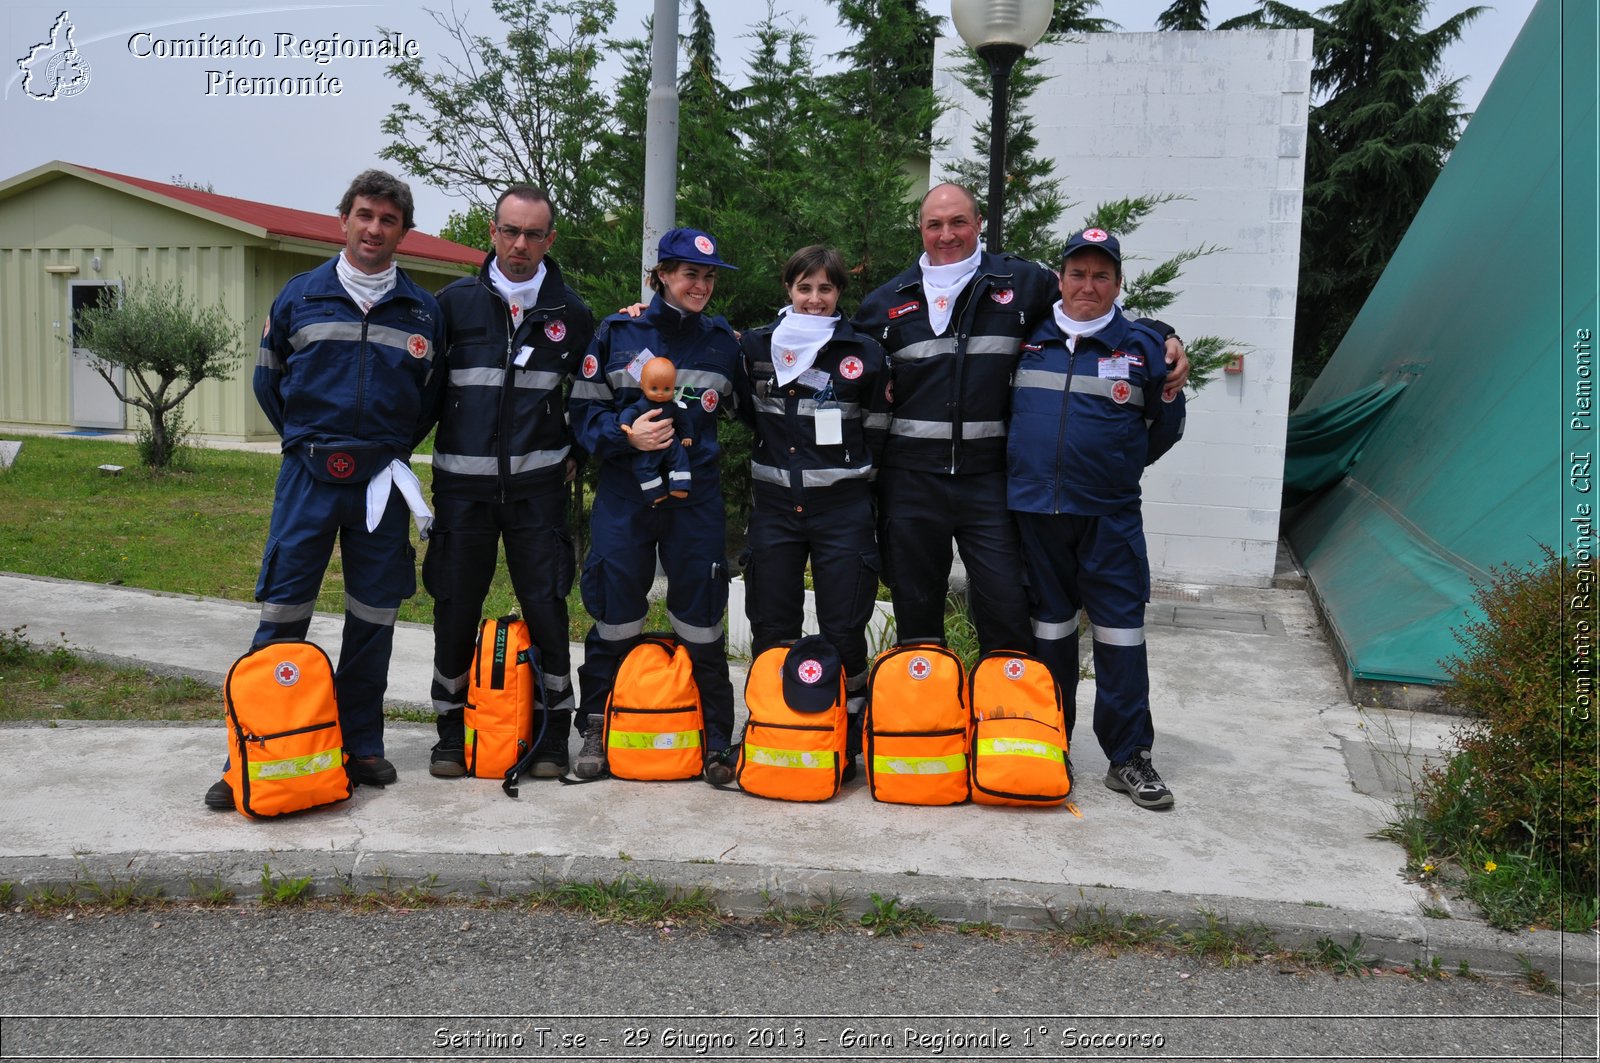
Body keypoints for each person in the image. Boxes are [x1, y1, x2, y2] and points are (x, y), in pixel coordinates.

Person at [852, 183, 1189, 655]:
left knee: (1007, 607)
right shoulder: (884, 303)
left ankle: (1001, 721)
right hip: (911, 485)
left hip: (990, 483)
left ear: (979, 224)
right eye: (935, 224)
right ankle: (928, 722)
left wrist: (1162, 334)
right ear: (921, 229)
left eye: (958, 222)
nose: (946, 234)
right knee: (917, 616)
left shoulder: (1023, 283)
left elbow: (1089, 304)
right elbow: (841, 361)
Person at [206, 169, 443, 809]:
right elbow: (268, 382)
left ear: (403, 231)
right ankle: (257, 749)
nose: (374, 229)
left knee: (374, 617)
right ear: (344, 220)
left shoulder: (424, 311)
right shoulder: (299, 297)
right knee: (283, 613)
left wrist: (382, 450)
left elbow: (428, 403)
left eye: (388, 220)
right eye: (364, 215)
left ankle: (361, 744)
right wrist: (310, 443)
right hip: (308, 477)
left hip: (382, 485)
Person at [1008, 229, 1186, 809]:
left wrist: (1113, 468)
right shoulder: (1025, 338)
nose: (1089, 285)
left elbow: (1166, 428)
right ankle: (1048, 742)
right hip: (1036, 514)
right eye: (1078, 273)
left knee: (1120, 637)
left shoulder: (1143, 347)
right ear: (1059, 279)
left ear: (1118, 282)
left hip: (1109, 519)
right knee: (1049, 634)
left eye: (1101, 275)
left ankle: (1129, 757)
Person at [423, 185, 595, 780]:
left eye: (533, 234)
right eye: (510, 231)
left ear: (550, 239)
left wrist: (578, 447)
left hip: (538, 493)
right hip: (461, 493)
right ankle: (449, 731)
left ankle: (551, 735)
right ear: (492, 232)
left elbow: (595, 397)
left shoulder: (573, 314)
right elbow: (420, 394)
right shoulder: (451, 304)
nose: (520, 244)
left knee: (547, 609)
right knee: (454, 608)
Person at [568, 228, 743, 784]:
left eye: (709, 276)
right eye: (690, 273)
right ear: (661, 274)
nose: (701, 285)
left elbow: (759, 398)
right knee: (616, 614)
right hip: (627, 495)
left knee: (702, 618)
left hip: (697, 499)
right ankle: (599, 726)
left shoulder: (724, 342)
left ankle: (715, 738)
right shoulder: (619, 333)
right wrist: (626, 435)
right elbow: (583, 414)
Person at [734, 245, 890, 776]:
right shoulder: (755, 346)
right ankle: (769, 724)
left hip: (842, 511)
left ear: (839, 293)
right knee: (771, 626)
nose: (815, 299)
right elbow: (742, 411)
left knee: (843, 630)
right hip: (775, 509)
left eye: (826, 288)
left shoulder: (864, 352)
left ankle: (847, 736)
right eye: (805, 288)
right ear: (789, 290)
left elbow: (876, 430)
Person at [619, 356, 694, 503]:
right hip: (646, 447)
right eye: (654, 388)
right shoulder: (641, 405)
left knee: (681, 459)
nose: (660, 393)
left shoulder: (672, 406)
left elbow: (684, 420)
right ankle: (655, 493)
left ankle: (680, 486)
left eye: (666, 389)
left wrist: (687, 435)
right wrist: (625, 424)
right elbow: (629, 412)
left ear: (673, 386)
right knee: (642, 467)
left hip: (671, 442)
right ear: (642, 386)